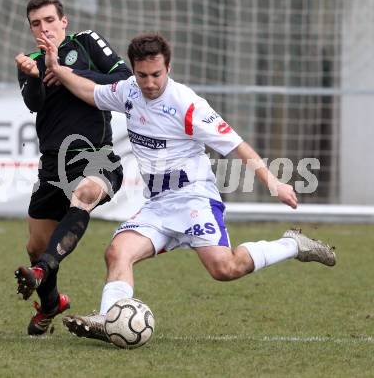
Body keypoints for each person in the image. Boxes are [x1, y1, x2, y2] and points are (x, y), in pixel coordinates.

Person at [35, 32, 336, 342]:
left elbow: (236, 145)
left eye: (156, 74)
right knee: (117, 252)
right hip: (158, 205)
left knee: (225, 269)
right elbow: (92, 91)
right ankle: (110, 317)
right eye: (142, 75)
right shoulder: (128, 91)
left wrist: (274, 183)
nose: (149, 82)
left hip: (194, 199)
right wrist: (56, 69)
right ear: (133, 70)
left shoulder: (187, 104)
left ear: (169, 68)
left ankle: (292, 245)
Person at [14, 0, 132, 335]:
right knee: (35, 246)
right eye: (36, 23)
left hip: (96, 155)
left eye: (50, 20)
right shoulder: (31, 62)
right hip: (53, 164)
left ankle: (42, 270)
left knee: (86, 192)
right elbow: (33, 103)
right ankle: (51, 304)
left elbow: (122, 78)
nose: (44, 28)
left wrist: (65, 70)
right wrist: (37, 75)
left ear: (63, 21)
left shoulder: (87, 42)